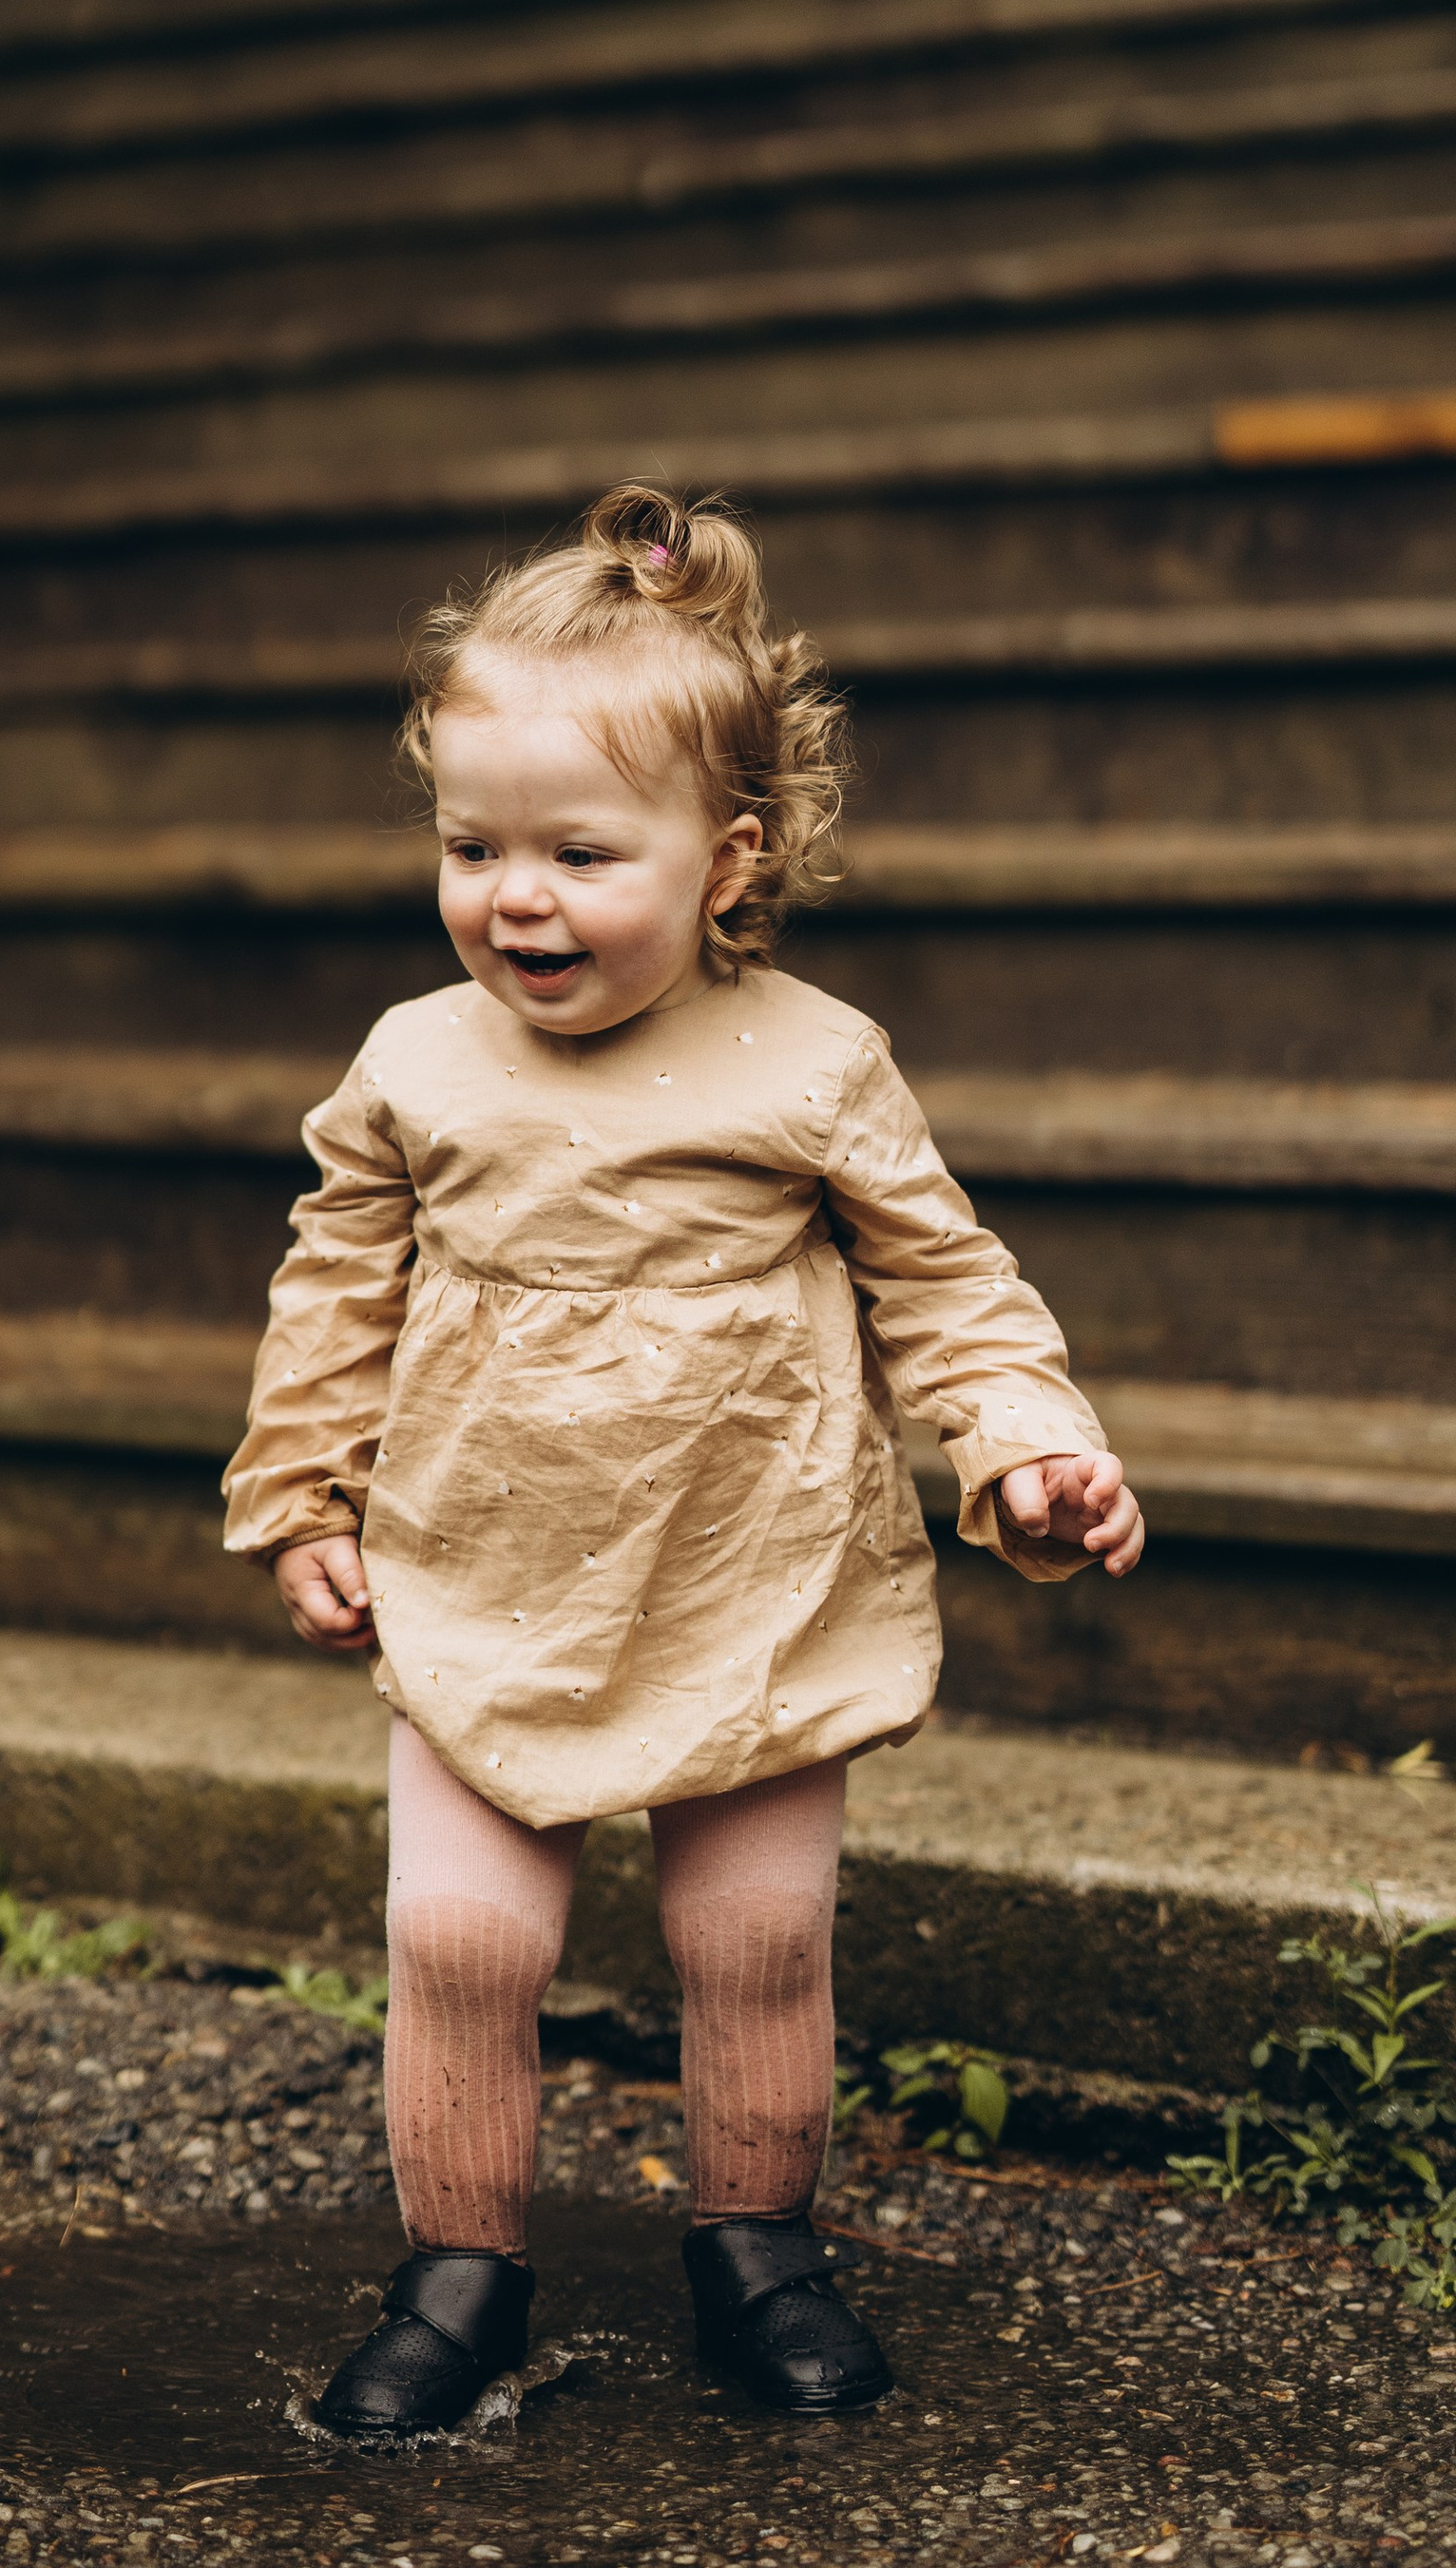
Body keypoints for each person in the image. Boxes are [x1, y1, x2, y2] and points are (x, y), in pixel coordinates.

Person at [221, 485, 1144, 2441]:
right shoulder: (414, 1061)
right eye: (471, 845)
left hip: (750, 1567)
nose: (514, 896)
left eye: (576, 849)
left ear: (725, 862)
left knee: (753, 1938)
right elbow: (336, 1290)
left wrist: (1028, 1446)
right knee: (460, 1939)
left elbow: (945, 1287)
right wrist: (300, 1492)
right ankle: (460, 2281)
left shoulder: (809, 1061)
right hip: (487, 1557)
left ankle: (758, 2252)